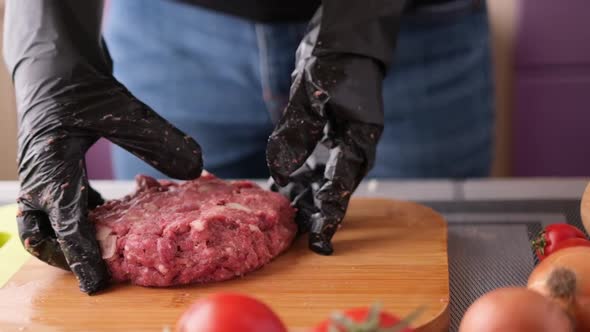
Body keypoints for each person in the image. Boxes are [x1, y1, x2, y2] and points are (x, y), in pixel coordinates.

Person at [4, 0, 493, 294]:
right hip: (170, 32)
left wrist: (359, 25)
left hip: (409, 31)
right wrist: (51, 52)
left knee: (421, 266)